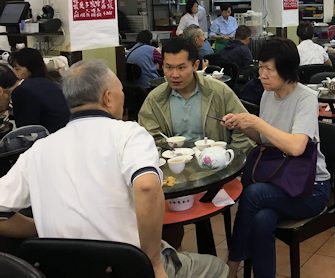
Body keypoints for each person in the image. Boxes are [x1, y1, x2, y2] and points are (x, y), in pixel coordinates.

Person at [0, 60, 228, 278]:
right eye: (120, 90)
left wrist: (36, 229)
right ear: (108, 97)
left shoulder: (39, 149)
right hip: (124, 267)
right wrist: (155, 263)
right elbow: (147, 187)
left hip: (60, 269)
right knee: (217, 268)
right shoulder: (128, 134)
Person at [223, 38, 330, 278]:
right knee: (262, 220)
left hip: (311, 188)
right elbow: (265, 140)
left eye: (268, 69)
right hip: (279, 181)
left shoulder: (306, 98)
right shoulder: (268, 95)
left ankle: (232, 265)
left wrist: (257, 121)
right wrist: (244, 126)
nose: (262, 74)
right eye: (260, 67)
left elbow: (296, 147)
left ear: (287, 69)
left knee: (252, 192)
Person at [138, 38, 254, 151]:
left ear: (195, 65)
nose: (174, 74)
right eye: (169, 67)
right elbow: (148, 138)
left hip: (216, 166)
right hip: (174, 166)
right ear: (162, 66)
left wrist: (229, 158)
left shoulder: (218, 92)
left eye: (181, 67)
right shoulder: (155, 98)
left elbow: (244, 129)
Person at [4, 49, 70, 132]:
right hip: (64, 132)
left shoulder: (23, 90)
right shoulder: (54, 84)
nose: (14, 72)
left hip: (44, 138)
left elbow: (25, 129)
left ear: (30, 67)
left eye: (17, 69)